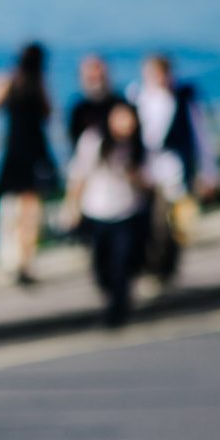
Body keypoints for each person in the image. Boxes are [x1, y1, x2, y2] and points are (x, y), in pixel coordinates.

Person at [0, 42, 60, 286]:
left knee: (13, 209)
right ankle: (24, 261)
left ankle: (14, 259)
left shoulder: (8, 82)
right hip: (35, 151)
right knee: (30, 212)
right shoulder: (38, 84)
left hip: (15, 150)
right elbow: (49, 114)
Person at [127, 54, 217, 284]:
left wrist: (209, 173)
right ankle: (153, 268)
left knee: (172, 226)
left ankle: (165, 270)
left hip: (175, 173)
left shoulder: (184, 99)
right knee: (149, 225)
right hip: (147, 174)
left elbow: (201, 138)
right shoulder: (137, 99)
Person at [63, 100, 151, 328]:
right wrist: (72, 208)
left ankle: (117, 311)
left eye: (130, 118)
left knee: (123, 263)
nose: (126, 123)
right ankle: (112, 298)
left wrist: (135, 175)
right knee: (100, 266)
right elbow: (78, 176)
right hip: (97, 211)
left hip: (128, 211)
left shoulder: (138, 144)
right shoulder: (93, 139)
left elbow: (149, 182)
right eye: (121, 117)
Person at [68, 53, 118, 150]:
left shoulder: (119, 106)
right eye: (92, 78)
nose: (97, 82)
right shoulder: (78, 109)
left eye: (100, 77)